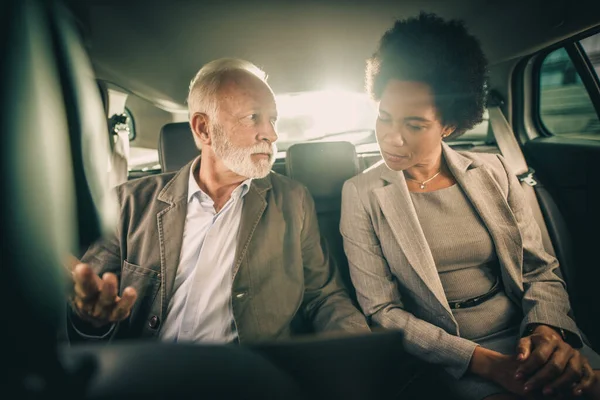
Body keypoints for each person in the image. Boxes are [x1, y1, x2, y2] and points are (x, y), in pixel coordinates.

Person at [340, 13, 600, 400]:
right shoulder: (361, 193)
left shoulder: (493, 171)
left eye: (414, 124)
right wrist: (486, 362)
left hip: (529, 333)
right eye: (384, 117)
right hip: (452, 355)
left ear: (448, 125)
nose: (391, 138)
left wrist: (545, 332)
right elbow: (382, 312)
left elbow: (540, 269)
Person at [67, 58, 369, 344]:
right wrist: (90, 319)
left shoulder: (293, 200)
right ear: (203, 128)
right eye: (254, 118)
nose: (272, 134)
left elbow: (324, 296)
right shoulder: (129, 203)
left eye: (273, 119)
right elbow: (87, 303)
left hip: (253, 373)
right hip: (150, 372)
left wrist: (360, 348)